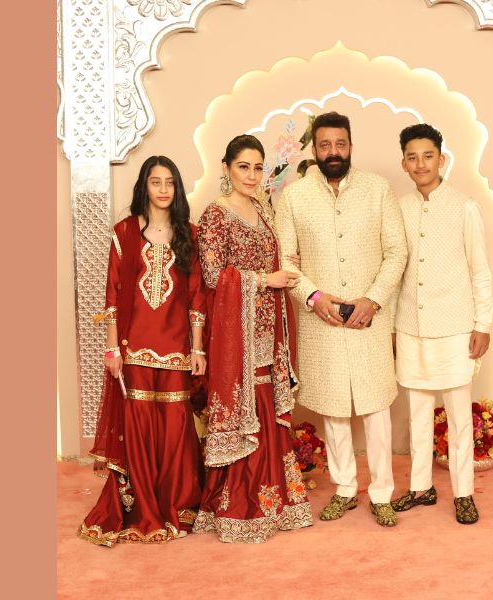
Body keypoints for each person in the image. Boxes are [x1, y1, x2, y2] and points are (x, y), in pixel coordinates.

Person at [275, 112, 407, 527]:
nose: (334, 151)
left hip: (369, 318)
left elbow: (397, 252)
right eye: (325, 145)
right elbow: (285, 260)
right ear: (314, 149)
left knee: (376, 407)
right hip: (322, 319)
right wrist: (313, 297)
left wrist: (374, 299)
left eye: (341, 144)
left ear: (351, 146)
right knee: (333, 409)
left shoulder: (377, 189)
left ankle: (382, 493)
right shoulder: (294, 197)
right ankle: (346, 488)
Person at [79, 155, 207, 546]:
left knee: (175, 430)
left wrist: (198, 350)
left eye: (170, 182)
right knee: (138, 430)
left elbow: (196, 298)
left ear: (177, 188)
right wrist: (111, 350)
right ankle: (143, 507)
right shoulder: (125, 233)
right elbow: (113, 295)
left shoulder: (190, 235)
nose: (163, 189)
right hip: (133, 350)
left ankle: (176, 505)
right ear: (144, 187)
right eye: (156, 182)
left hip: (177, 351)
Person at [193, 134, 314, 543]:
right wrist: (266, 279)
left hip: (266, 328)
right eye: (243, 167)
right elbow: (214, 276)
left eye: (258, 167)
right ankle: (240, 506)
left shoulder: (262, 210)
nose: (251, 175)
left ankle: (275, 502)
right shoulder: (216, 214)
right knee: (246, 404)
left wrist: (285, 264)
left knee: (265, 404)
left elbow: (269, 261)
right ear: (226, 168)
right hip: (235, 334)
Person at [390, 123, 493, 524]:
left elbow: (480, 270)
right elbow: (395, 270)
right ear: (404, 163)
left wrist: (483, 324)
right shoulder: (399, 208)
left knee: (458, 416)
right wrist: (392, 327)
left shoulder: (464, 206)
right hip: (410, 325)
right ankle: (421, 487)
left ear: (442, 159)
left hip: (455, 328)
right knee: (416, 413)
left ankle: (463, 492)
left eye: (428, 156)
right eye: (412, 157)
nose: (421, 164)